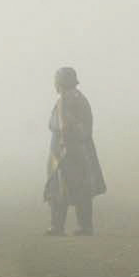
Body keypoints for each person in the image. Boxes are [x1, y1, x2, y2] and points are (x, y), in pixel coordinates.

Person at [45, 66, 105, 236]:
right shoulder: (79, 98)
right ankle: (83, 226)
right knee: (79, 187)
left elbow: (64, 126)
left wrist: (65, 143)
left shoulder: (67, 99)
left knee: (61, 186)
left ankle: (59, 226)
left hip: (69, 150)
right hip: (78, 149)